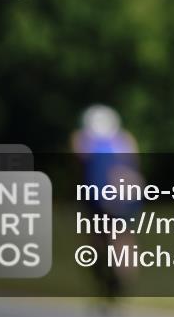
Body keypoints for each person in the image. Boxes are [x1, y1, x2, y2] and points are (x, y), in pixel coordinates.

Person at [71, 104, 142, 309]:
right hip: (124, 195)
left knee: (99, 239)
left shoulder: (83, 141)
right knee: (122, 238)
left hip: (99, 196)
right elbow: (134, 167)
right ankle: (119, 285)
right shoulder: (125, 140)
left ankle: (108, 283)